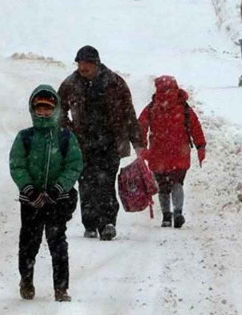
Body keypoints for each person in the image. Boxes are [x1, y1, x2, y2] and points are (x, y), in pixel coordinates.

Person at [58, 45, 143, 241]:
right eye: (79, 63)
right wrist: (67, 131)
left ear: (96, 63)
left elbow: (128, 113)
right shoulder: (71, 84)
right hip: (82, 144)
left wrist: (137, 142)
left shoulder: (115, 83)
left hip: (110, 143)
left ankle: (107, 223)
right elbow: (57, 111)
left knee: (106, 183)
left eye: (86, 63)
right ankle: (89, 223)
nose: (82, 68)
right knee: (86, 183)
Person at [9, 85, 83, 302]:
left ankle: (61, 288)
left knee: (57, 242)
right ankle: (26, 280)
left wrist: (58, 188)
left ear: (56, 110)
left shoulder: (65, 137)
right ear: (32, 110)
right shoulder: (25, 137)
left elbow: (74, 165)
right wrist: (29, 189)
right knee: (28, 242)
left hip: (56, 201)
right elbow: (17, 165)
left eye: (47, 109)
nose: (43, 113)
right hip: (30, 201)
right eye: (39, 109)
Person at [138, 75, 206, 228]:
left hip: (158, 153)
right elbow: (196, 128)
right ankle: (178, 212)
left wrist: (141, 146)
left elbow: (140, 127)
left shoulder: (152, 107)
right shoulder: (184, 108)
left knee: (163, 186)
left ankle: (166, 216)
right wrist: (200, 146)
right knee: (177, 183)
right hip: (179, 153)